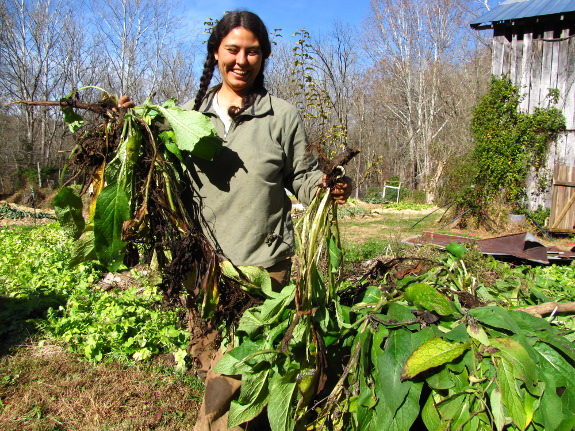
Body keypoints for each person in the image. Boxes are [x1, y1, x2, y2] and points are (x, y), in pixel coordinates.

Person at [182, 10, 351, 430]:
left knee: (235, 376)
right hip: (204, 272)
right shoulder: (187, 115)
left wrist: (328, 189)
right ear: (216, 53)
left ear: (264, 56)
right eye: (233, 50)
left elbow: (305, 177)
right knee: (212, 366)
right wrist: (129, 120)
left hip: (264, 269)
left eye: (252, 51)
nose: (242, 60)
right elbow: (157, 174)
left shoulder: (281, 116)